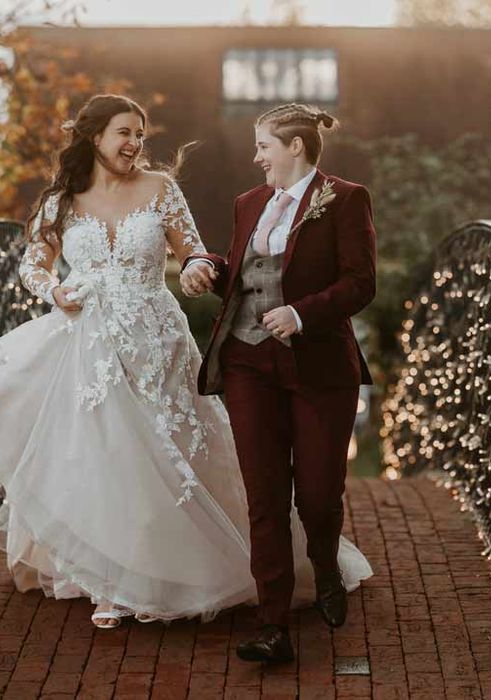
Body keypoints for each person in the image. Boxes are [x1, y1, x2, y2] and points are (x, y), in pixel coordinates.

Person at [0, 94, 372, 633]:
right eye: (124, 133)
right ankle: (113, 578)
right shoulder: (61, 200)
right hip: (91, 345)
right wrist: (55, 291)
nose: (134, 144)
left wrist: (198, 267)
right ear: (94, 137)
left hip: (158, 340)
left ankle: (214, 571)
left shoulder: (160, 189)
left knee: (172, 455)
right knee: (106, 457)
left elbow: (194, 249)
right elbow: (34, 265)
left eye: (140, 135)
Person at [180, 102, 376, 663]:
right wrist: (207, 269)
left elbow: (361, 283)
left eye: (264, 145)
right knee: (265, 497)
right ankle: (273, 626)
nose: (256, 157)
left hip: (318, 368)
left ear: (294, 145)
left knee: (316, 495)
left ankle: (326, 566)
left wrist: (303, 314)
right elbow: (244, 275)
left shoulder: (346, 198)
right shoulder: (248, 203)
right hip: (246, 364)